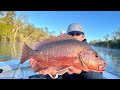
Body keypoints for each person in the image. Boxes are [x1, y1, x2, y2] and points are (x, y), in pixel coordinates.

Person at [29, 23, 103, 79]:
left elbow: (98, 77)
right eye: (71, 34)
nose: (74, 36)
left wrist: (82, 71)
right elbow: (59, 75)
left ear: (83, 37)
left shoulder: (90, 52)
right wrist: (53, 73)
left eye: (77, 34)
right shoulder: (62, 47)